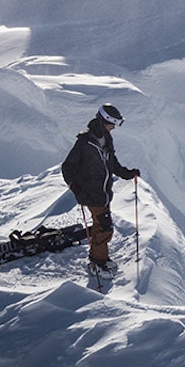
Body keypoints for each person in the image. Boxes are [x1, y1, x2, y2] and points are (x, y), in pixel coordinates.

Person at [61, 103, 140, 277]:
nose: (114, 127)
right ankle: (99, 262)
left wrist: (128, 174)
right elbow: (68, 167)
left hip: (103, 193)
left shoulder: (106, 139)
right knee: (105, 227)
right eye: (113, 123)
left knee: (99, 225)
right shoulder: (84, 142)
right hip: (90, 193)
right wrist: (75, 187)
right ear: (105, 121)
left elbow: (112, 163)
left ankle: (96, 257)